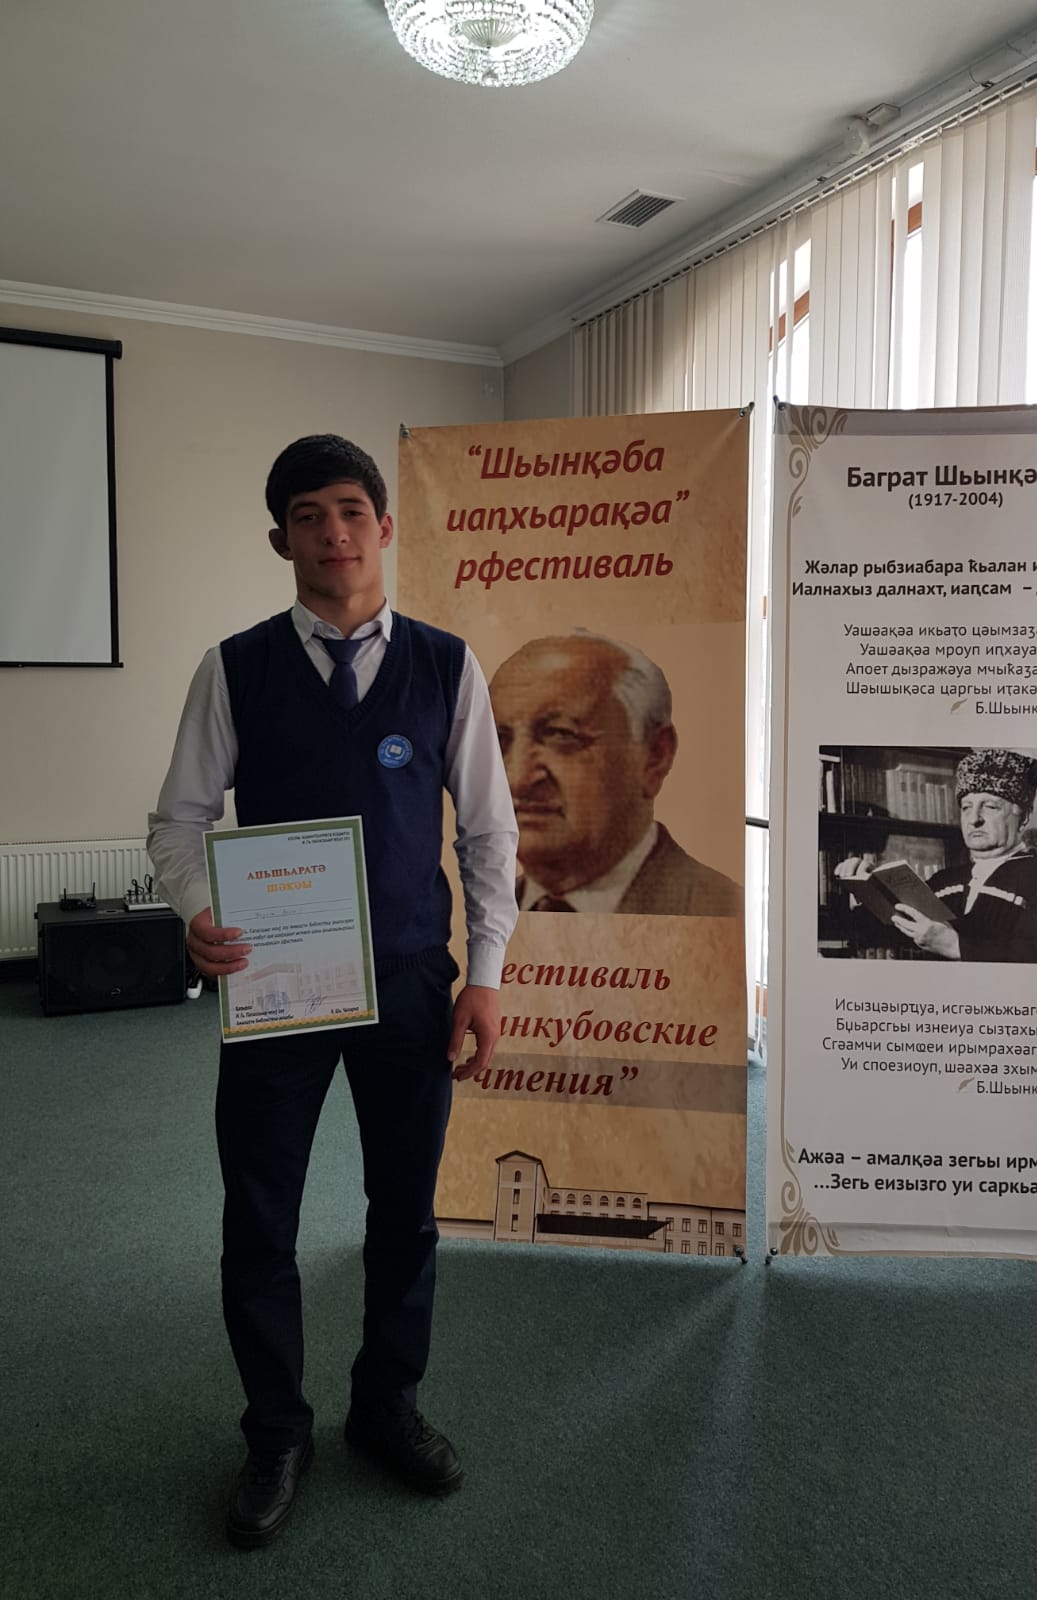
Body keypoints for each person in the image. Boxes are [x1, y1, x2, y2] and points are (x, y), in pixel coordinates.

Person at [147, 435, 517, 1549]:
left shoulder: (447, 667)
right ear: (281, 540)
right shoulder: (234, 668)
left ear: (385, 527)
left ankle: (386, 1406)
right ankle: (276, 1433)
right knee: (259, 1216)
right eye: (308, 516)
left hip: (409, 982)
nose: (334, 533)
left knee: (404, 1211)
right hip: (277, 987)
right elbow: (178, 822)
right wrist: (197, 910)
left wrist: (486, 976)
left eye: (352, 510)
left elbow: (489, 835)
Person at [487, 631, 741, 916]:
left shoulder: (723, 914)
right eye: (498, 741)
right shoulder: (476, 919)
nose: (517, 779)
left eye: (561, 734)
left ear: (655, 756)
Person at [836, 749, 1037, 963]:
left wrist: (955, 946)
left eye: (990, 806)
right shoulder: (943, 881)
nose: (974, 819)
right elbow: (878, 931)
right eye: (966, 807)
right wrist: (869, 887)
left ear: (1023, 817)